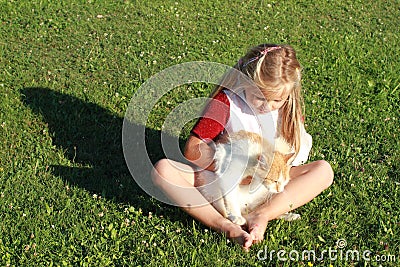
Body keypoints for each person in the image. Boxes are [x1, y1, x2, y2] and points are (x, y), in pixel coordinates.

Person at [151, 44, 334, 251]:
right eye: (259, 97)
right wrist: (233, 168)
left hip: (268, 185)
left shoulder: (286, 108)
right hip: (226, 185)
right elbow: (193, 150)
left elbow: (287, 155)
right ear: (242, 80)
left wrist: (271, 171)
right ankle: (226, 225)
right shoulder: (227, 102)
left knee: (323, 171)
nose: (267, 106)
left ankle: (262, 214)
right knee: (163, 170)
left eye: (276, 100)